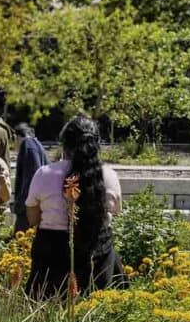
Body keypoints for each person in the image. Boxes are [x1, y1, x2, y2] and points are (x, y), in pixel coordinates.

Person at [25, 115, 124, 298]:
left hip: (51, 252)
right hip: (96, 251)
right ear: (96, 145)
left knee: (45, 306)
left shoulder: (44, 174)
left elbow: (33, 219)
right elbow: (114, 213)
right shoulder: (109, 175)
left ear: (64, 144)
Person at [10, 123, 50, 235]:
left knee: (19, 244)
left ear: (15, 137)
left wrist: (20, 205)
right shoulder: (37, 145)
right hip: (37, 205)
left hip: (28, 207)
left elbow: (32, 178)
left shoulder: (28, 145)